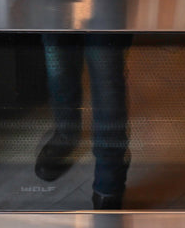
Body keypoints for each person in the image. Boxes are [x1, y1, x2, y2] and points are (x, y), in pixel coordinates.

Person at [35, 32, 130, 209]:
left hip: (107, 5)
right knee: (58, 65)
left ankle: (109, 174)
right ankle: (66, 134)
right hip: (52, 5)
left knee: (106, 76)